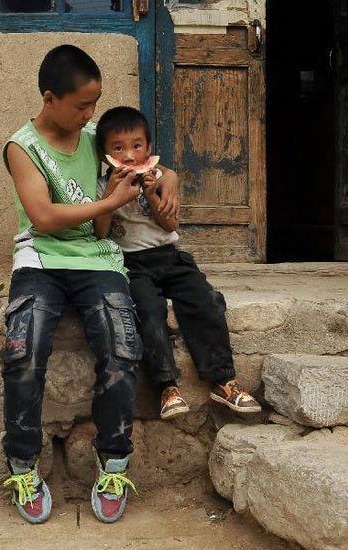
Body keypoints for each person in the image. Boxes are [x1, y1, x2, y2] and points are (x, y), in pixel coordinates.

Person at [0, 45, 178, 525]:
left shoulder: (97, 135)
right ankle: (21, 464)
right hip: (41, 256)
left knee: (122, 348)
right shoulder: (22, 148)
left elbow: (144, 160)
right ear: (50, 97)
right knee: (23, 351)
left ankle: (114, 462)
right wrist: (109, 202)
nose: (90, 115)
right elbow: (44, 217)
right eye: (81, 105)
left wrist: (169, 177)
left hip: (98, 258)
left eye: (95, 104)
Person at [94, 106, 261, 421]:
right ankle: (166, 387)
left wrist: (153, 193)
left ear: (149, 148)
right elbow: (100, 232)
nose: (129, 156)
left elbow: (170, 226)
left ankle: (223, 379)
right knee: (148, 310)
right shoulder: (102, 187)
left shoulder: (160, 178)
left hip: (170, 257)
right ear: (105, 156)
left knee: (207, 300)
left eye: (136, 146)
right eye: (118, 148)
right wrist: (112, 197)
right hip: (130, 263)